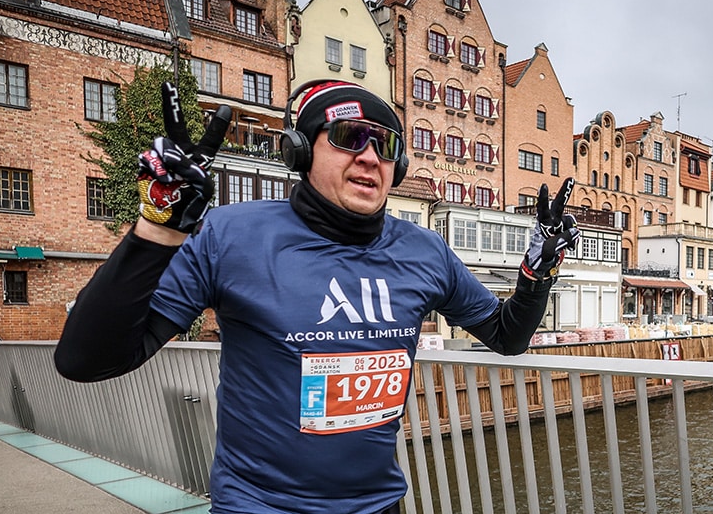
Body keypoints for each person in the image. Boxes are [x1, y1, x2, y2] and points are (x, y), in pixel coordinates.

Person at [55, 79, 580, 514]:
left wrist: (539, 270)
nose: (370, 157)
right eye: (350, 137)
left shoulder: (425, 251)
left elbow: (507, 336)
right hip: (260, 506)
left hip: (379, 505)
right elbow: (86, 360)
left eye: (386, 146)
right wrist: (157, 229)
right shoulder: (229, 236)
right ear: (301, 151)